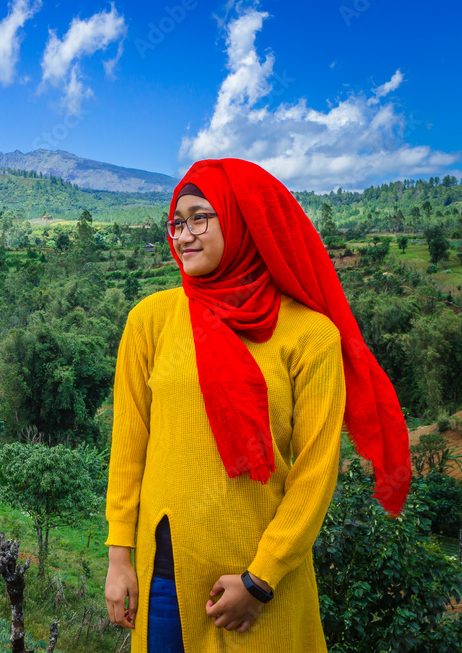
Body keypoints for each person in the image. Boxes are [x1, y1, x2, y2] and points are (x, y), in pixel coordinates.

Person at [103, 159, 412, 652]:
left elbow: (315, 472)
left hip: (263, 587)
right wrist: (120, 559)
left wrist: (260, 580)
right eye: (176, 222)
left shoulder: (310, 336)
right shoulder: (151, 322)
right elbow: (129, 446)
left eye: (200, 217)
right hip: (169, 578)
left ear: (244, 220)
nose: (183, 235)